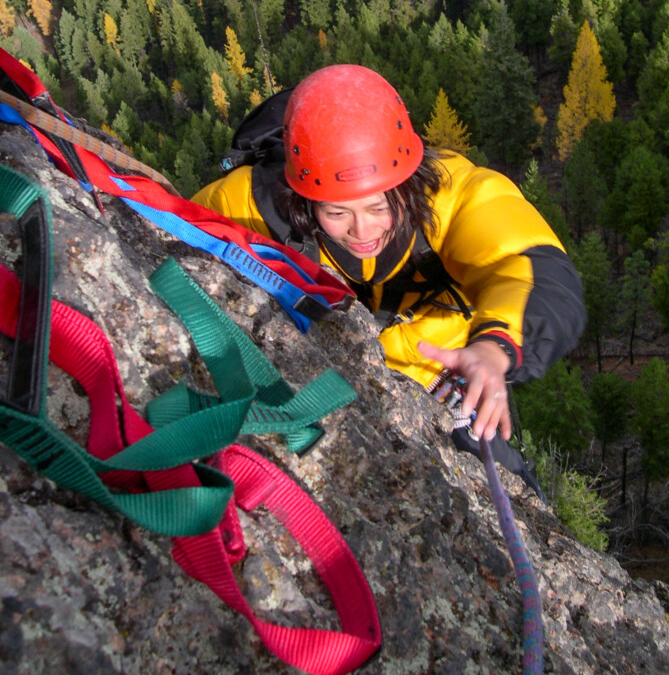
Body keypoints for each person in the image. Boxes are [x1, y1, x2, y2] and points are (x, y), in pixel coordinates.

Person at [193, 64, 585, 462]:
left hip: (442, 377)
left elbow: (530, 268)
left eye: (379, 206)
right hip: (324, 380)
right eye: (336, 212)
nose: (362, 231)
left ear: (406, 182)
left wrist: (495, 347)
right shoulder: (254, 204)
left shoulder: (452, 195)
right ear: (304, 197)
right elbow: (180, 231)